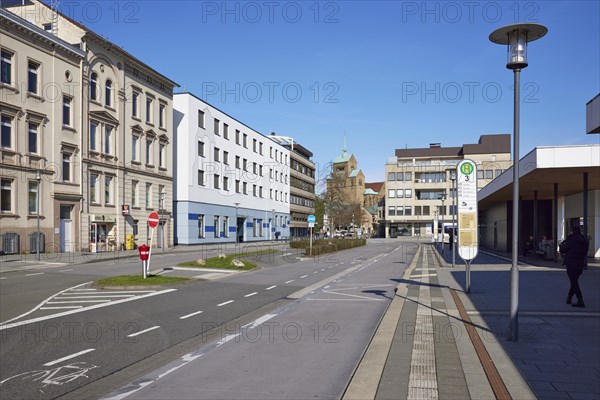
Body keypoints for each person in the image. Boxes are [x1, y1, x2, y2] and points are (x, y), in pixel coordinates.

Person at [561, 226, 589, 308]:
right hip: (580, 263)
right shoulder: (584, 240)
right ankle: (569, 297)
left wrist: (561, 245)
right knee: (574, 281)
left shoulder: (571, 239)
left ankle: (580, 300)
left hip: (571, 263)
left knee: (574, 281)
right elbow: (585, 252)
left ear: (572, 231)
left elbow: (563, 250)